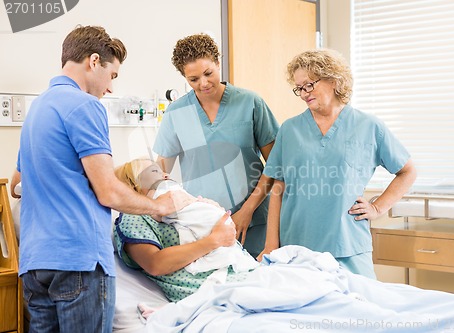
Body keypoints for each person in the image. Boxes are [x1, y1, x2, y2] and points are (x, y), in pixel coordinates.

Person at [13, 25, 194, 333]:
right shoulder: (85, 106)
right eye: (113, 76)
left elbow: (17, 184)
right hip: (79, 262)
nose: (110, 88)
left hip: (35, 264)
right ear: (94, 61)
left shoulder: (38, 109)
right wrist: (159, 207)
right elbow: (109, 193)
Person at [114, 211, 454, 333]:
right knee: (364, 317)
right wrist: (213, 239)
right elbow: (156, 264)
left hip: (259, 274)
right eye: (149, 173)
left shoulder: (188, 211)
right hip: (227, 291)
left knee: (378, 298)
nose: (161, 178)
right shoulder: (133, 221)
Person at [258, 49, 417, 278]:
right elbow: (278, 189)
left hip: (348, 247)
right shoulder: (290, 130)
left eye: (309, 85)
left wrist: (377, 207)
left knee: (361, 309)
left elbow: (407, 171)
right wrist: (271, 245)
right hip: (297, 249)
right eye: (299, 88)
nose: (304, 94)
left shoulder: (369, 126)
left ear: (333, 80)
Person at [153, 33, 280, 258]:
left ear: (218, 63)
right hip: (204, 224)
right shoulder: (176, 113)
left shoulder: (250, 102)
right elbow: (160, 170)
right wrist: (141, 200)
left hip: (254, 221)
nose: (203, 84)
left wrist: (248, 210)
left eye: (208, 73)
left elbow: (276, 166)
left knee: (258, 286)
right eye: (193, 79)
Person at [114, 158, 259, 275]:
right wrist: (214, 240)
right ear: (134, 187)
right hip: (206, 282)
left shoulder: (177, 202)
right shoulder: (133, 218)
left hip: (236, 268)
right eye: (154, 172)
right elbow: (155, 264)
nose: (166, 175)